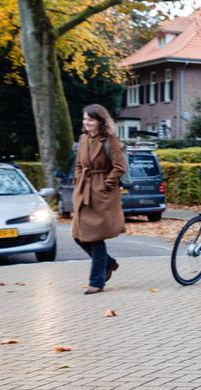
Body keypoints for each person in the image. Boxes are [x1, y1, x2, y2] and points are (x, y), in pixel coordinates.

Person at [71, 104, 126, 294]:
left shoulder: (110, 140)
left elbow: (119, 167)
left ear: (100, 122)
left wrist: (105, 185)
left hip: (102, 195)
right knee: (78, 236)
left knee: (95, 238)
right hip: (84, 191)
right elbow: (79, 164)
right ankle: (108, 264)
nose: (86, 122)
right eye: (85, 119)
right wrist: (78, 181)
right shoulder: (83, 139)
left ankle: (97, 281)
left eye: (90, 119)